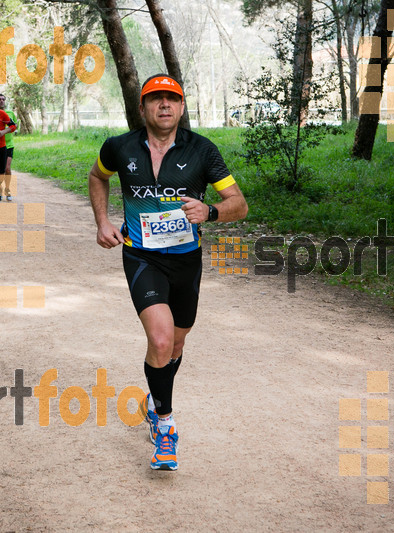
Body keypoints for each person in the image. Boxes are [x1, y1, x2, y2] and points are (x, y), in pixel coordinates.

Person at [88, 74, 248, 471]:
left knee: (174, 346)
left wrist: (210, 211)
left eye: (171, 99)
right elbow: (97, 176)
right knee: (160, 340)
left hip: (185, 262)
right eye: (155, 99)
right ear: (142, 108)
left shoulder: (202, 151)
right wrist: (102, 221)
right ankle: (165, 424)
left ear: (180, 107)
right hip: (141, 256)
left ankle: (152, 400)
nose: (164, 105)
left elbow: (239, 204)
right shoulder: (118, 147)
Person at [0, 93, 18, 202]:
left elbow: (14, 126)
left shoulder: (10, 113)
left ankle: (7, 189)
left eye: (3, 99)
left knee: (7, 169)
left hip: (8, 145)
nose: (1, 101)